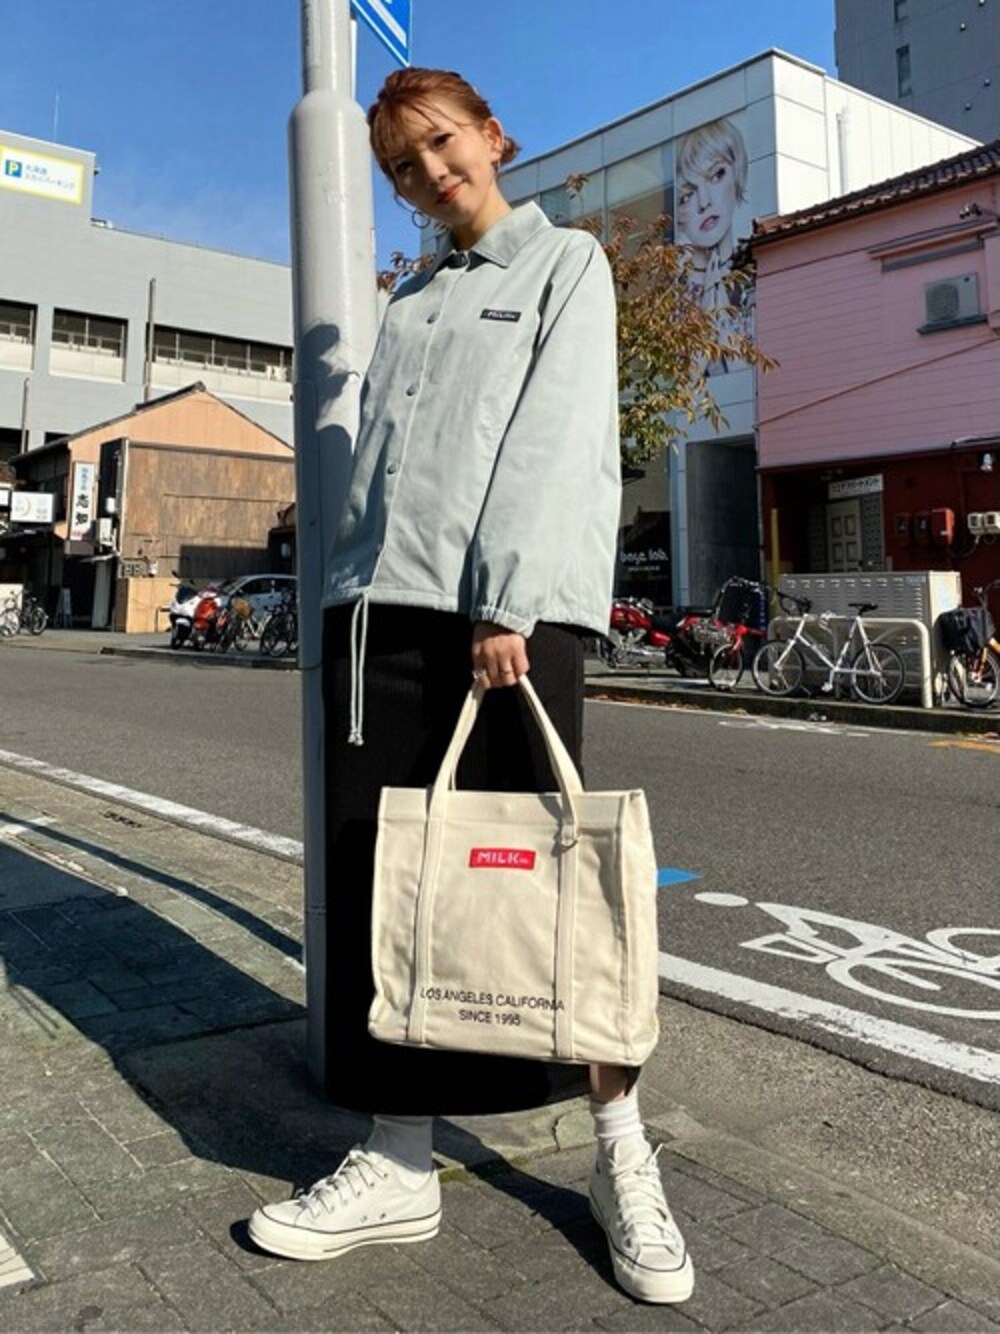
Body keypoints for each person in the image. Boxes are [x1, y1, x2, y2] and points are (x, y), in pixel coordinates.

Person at [248, 67, 693, 1306]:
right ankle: (398, 1154)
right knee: (389, 886)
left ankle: (620, 1151)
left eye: (441, 144)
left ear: (492, 136)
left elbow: (554, 438)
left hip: (499, 621)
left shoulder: (563, 264)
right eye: (403, 165)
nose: (429, 173)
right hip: (377, 619)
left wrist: (508, 603)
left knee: (555, 887)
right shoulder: (412, 299)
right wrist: (339, 594)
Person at [674, 116, 751, 362]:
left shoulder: (757, 275)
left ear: (736, 172)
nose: (705, 202)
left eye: (716, 175)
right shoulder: (671, 301)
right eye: (687, 196)